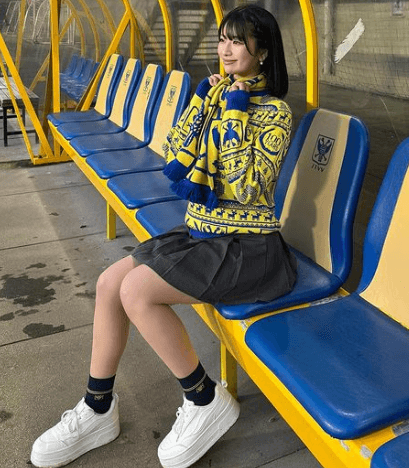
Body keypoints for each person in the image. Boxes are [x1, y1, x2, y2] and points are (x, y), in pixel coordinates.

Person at [30, 5, 296, 468]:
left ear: (263, 51)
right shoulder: (214, 98)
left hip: (248, 248)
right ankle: (97, 408)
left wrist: (235, 115)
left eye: (238, 40)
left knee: (137, 291)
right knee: (110, 284)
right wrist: (200, 104)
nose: (226, 49)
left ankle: (203, 399)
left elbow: (247, 186)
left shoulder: (275, 112)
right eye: (222, 39)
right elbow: (173, 153)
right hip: (202, 233)